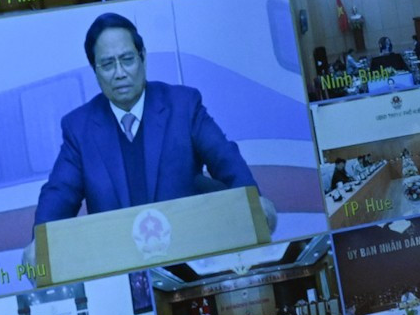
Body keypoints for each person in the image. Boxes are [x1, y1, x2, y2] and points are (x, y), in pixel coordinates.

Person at [32, 12, 264, 223]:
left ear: (142, 57)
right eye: (107, 64)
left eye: (127, 60)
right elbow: (59, 193)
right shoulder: (79, 128)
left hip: (189, 250)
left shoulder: (183, 105)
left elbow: (225, 159)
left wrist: (255, 202)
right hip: (118, 257)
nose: (120, 73)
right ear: (95, 70)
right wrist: (39, 244)